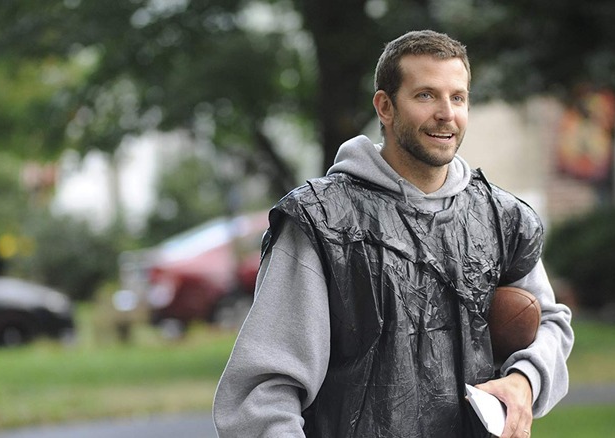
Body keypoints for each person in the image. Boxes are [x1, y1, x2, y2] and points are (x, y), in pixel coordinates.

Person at [213, 29, 574, 438]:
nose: (446, 113)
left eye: (458, 97)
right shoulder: (323, 221)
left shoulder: (500, 217)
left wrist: (525, 381)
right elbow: (263, 393)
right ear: (385, 107)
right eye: (426, 95)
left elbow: (549, 320)